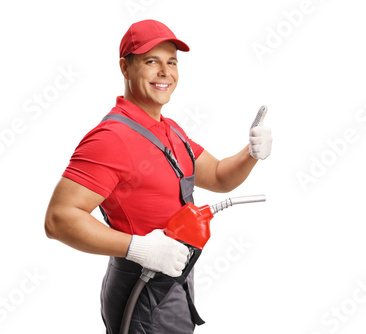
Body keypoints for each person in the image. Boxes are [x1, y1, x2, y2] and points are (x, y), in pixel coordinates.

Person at [44, 19, 272, 334]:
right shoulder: (111, 138)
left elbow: (219, 177)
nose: (165, 72)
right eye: (152, 61)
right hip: (142, 292)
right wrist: (140, 248)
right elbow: (58, 219)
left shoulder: (171, 131)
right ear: (125, 67)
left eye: (172, 62)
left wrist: (251, 153)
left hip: (172, 284)